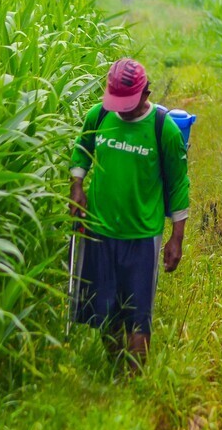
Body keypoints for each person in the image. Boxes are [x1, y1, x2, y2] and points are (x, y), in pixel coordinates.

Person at [69, 58, 189, 367]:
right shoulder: (99, 115)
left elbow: (178, 184)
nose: (121, 109)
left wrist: (177, 238)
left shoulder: (164, 129)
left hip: (142, 236)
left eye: (128, 102)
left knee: (138, 316)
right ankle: (114, 368)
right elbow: (82, 149)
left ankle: (133, 381)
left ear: (146, 94)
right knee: (104, 309)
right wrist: (77, 185)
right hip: (100, 229)